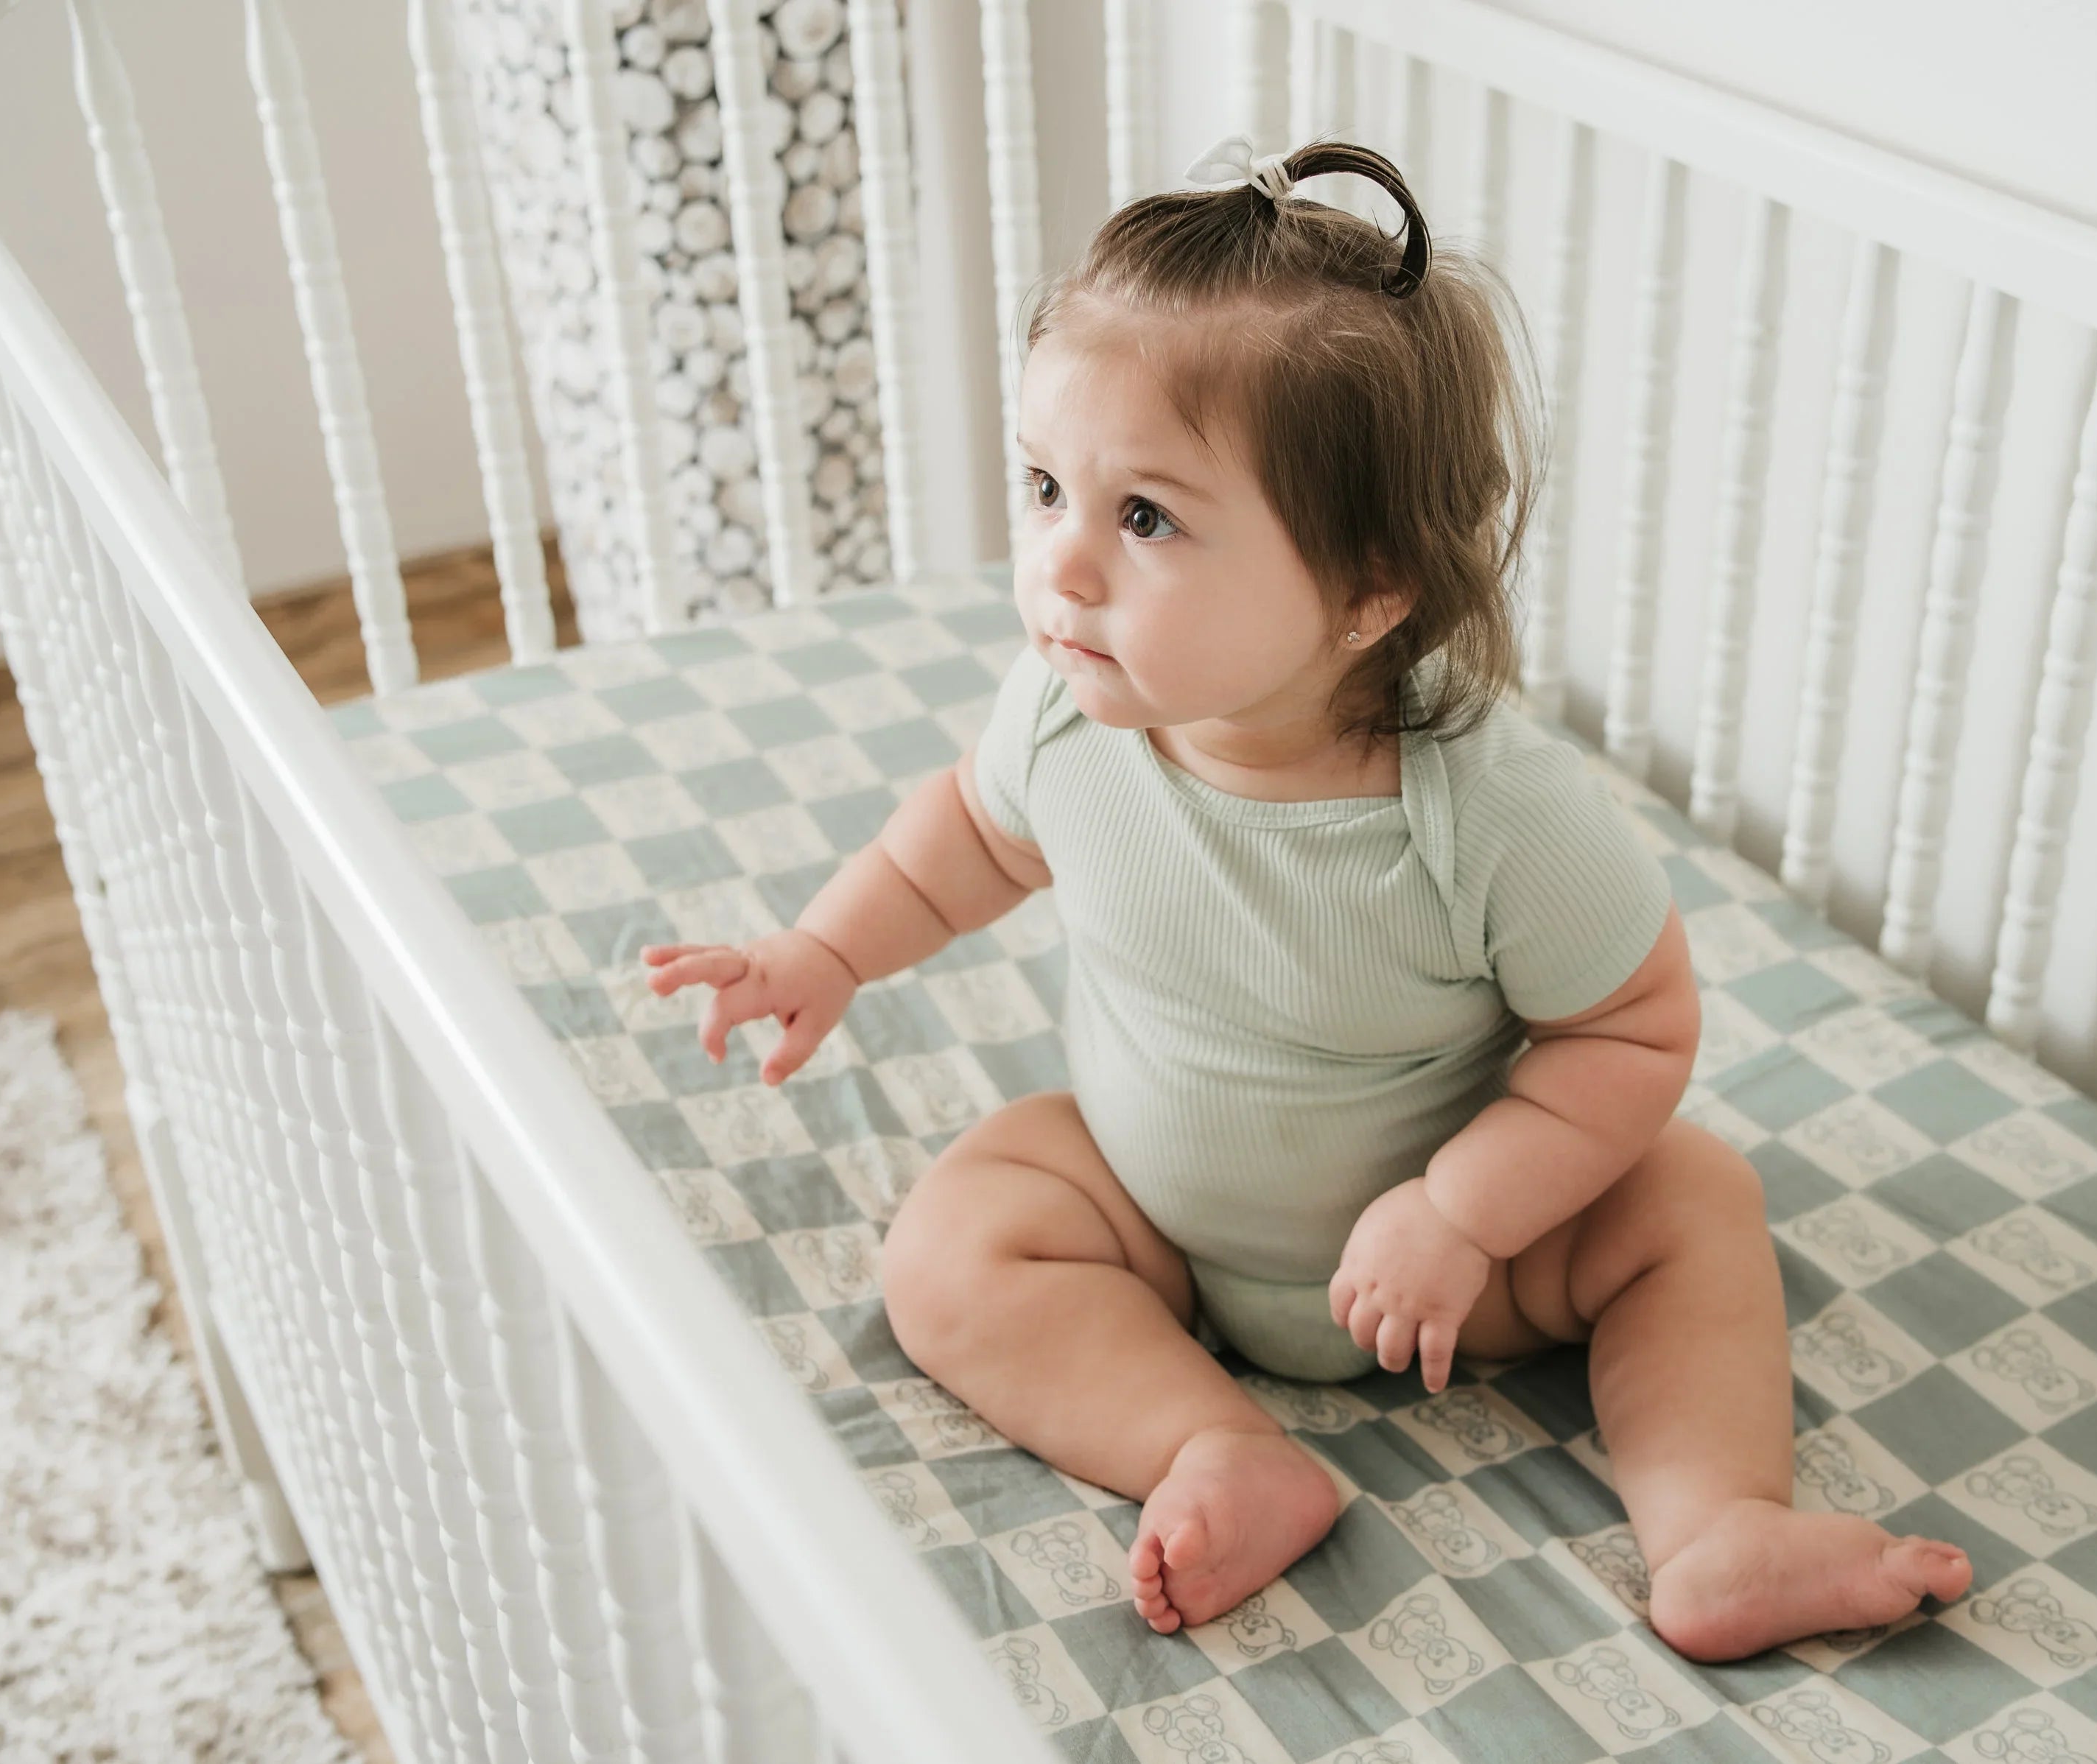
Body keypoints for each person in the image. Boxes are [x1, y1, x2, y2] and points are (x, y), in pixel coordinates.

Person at [642, 136, 1970, 1661]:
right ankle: (1216, 1446)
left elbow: (1630, 1032)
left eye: (1145, 517)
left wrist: (1459, 1210)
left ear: (1366, 590)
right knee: (952, 1242)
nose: (1062, 566)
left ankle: (1721, 1525)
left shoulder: (1488, 803)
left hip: (1465, 1268)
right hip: (1156, 1215)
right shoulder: (1070, 715)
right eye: (1047, 486)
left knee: (1691, 1201)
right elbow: (960, 839)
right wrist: (825, 947)